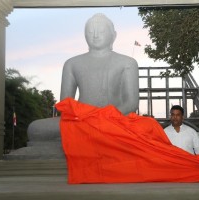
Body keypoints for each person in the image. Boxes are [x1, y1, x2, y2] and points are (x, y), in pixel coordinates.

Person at [27, 13, 139, 143]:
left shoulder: (127, 62)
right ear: (84, 35)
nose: (95, 35)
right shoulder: (72, 63)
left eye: (101, 31)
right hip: (80, 120)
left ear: (113, 35)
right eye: (90, 31)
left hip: (114, 119)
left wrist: (103, 117)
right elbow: (66, 103)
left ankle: (93, 133)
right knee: (35, 129)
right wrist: (85, 118)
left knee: (147, 127)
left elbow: (131, 103)